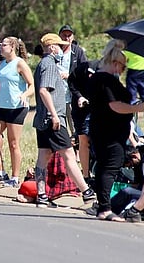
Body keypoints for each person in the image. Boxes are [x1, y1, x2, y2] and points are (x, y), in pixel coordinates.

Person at [32, 33, 95, 207]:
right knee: (68, 154)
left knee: (43, 156)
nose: (61, 49)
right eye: (59, 46)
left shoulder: (43, 64)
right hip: (53, 119)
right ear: (52, 47)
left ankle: (42, 195)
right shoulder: (49, 64)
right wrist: (53, 114)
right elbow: (44, 91)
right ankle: (87, 192)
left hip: (42, 119)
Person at [87, 39, 144, 221]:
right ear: (115, 63)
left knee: (107, 165)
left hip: (105, 130)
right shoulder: (105, 81)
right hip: (108, 132)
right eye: (123, 67)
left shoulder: (99, 78)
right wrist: (137, 109)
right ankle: (104, 207)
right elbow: (115, 106)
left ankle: (103, 206)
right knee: (110, 166)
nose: (123, 70)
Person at [0, 36, 34, 187]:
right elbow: (4, 85)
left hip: (16, 108)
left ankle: (14, 178)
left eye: (3, 44)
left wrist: (24, 95)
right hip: (2, 106)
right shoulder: (0, 64)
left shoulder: (20, 64)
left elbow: (32, 85)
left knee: (13, 144)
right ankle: (1, 172)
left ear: (12, 47)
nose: (0, 47)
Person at [68, 58, 99, 184]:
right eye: (89, 74)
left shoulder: (110, 73)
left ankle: (100, 174)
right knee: (83, 140)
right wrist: (80, 97)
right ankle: (86, 175)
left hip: (98, 110)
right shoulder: (82, 68)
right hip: (81, 110)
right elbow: (71, 82)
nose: (91, 76)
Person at [58, 24, 87, 137]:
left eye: (69, 35)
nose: (66, 38)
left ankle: (78, 152)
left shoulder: (78, 52)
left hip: (72, 96)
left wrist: (69, 76)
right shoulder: (55, 52)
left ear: (73, 37)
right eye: (64, 35)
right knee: (60, 130)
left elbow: (84, 72)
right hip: (58, 96)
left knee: (76, 129)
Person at [124, 51, 144, 119]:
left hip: (133, 71)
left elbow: (125, 57)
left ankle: (131, 114)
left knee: (131, 95)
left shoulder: (133, 49)